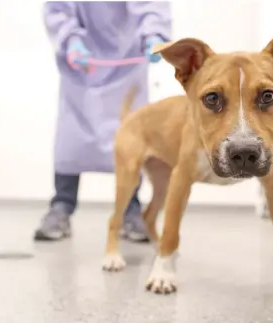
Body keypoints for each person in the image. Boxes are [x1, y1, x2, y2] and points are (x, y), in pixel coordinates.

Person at [34, 2, 172, 243]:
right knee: (72, 139)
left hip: (127, 63)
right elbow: (57, 8)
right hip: (82, 66)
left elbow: (151, 5)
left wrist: (155, 35)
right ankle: (62, 206)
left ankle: (131, 210)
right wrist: (70, 40)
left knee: (132, 142)